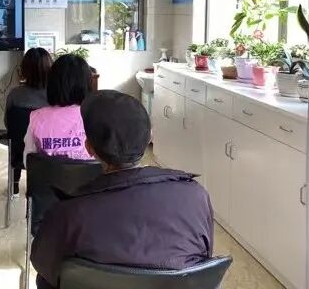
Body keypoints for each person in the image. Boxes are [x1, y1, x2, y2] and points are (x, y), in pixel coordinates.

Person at [31, 91, 213, 289]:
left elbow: (43, 265)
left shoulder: (66, 214)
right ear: (150, 137)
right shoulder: (196, 197)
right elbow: (204, 258)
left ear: (89, 148)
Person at [23, 54, 94, 161]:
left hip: (46, 172)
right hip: (90, 172)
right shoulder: (95, 116)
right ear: (87, 84)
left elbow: (28, 160)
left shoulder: (36, 117)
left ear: (51, 84)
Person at [4, 48, 53, 195]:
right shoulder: (56, 95)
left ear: (24, 69)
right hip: (49, 155)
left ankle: (14, 184)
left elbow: (8, 124)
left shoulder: (15, 95)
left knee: (18, 140)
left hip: (20, 155)